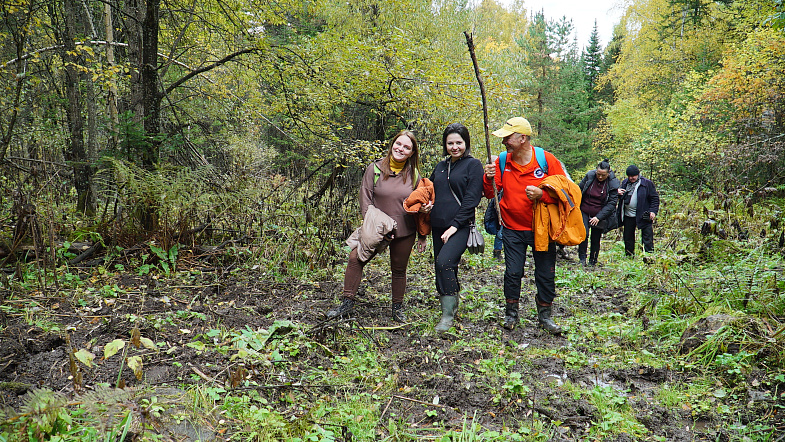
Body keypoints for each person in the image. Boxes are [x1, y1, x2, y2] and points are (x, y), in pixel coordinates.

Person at [327, 130, 428, 322]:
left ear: (412, 153)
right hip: (377, 228)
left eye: (407, 147)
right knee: (355, 258)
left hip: (405, 230)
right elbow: (365, 199)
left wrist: (423, 228)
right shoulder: (374, 169)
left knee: (399, 269)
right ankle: (347, 303)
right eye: (399, 144)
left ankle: (397, 309)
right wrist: (377, 227)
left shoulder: (414, 175)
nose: (401, 149)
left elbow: (418, 204)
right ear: (392, 144)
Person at [483, 117, 568, 334]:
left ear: (523, 138)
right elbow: (490, 193)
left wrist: (542, 195)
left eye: (508, 138)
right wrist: (488, 177)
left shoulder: (546, 160)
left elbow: (565, 194)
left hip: (542, 229)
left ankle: (545, 317)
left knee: (545, 273)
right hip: (512, 228)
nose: (504, 142)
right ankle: (511, 314)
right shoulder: (503, 161)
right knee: (512, 272)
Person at [422, 123, 484, 333]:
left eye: (459, 142)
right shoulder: (440, 166)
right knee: (443, 267)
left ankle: (447, 316)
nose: (455, 147)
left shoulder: (473, 165)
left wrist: (455, 226)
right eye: (450, 143)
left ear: (466, 143)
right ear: (445, 145)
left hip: (461, 226)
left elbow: (471, 199)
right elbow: (429, 190)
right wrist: (426, 205)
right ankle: (451, 301)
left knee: (444, 262)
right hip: (438, 226)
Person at [577, 159, 620, 267]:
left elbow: (611, 204)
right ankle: (582, 259)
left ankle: (593, 260)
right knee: (584, 234)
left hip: (600, 213)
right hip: (584, 210)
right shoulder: (589, 176)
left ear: (608, 173)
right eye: (598, 174)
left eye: (603, 175)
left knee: (595, 238)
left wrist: (598, 217)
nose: (600, 177)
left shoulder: (613, 183)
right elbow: (578, 190)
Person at [617, 164, 659, 256]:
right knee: (628, 237)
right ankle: (629, 255)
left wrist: (653, 211)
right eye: (629, 176)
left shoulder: (646, 184)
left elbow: (654, 198)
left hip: (644, 214)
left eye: (633, 176)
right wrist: (617, 193)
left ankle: (649, 256)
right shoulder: (625, 183)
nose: (631, 178)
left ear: (638, 174)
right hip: (628, 215)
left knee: (647, 237)